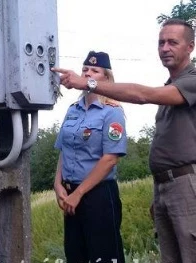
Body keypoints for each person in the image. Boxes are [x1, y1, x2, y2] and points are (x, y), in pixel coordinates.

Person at [52, 18, 196, 263]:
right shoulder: (74, 110)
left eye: (173, 42)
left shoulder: (190, 81)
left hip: (182, 184)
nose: (165, 48)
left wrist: (86, 82)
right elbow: (65, 148)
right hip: (165, 185)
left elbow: (142, 96)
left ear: (190, 46)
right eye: (161, 42)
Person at [53, 51, 127, 263]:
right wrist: (58, 184)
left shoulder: (112, 111)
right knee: (76, 255)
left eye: (95, 70)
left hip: (98, 195)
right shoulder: (72, 110)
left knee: (103, 256)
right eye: (85, 69)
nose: (87, 73)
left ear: (106, 79)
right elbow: (64, 150)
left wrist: (79, 193)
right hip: (70, 195)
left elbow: (110, 159)